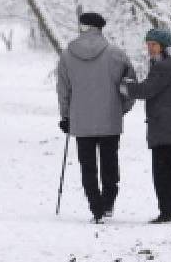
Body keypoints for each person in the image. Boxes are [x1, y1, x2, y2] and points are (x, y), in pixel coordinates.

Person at [56, 12, 136, 223]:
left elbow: (63, 89)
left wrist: (65, 116)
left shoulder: (67, 54)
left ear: (82, 27)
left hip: (80, 120)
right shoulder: (117, 54)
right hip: (110, 119)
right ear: (101, 28)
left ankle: (96, 207)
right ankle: (108, 202)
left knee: (87, 165)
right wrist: (121, 108)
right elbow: (130, 86)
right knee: (110, 162)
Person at [121, 28, 171, 224]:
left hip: (167, 131)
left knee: (163, 174)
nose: (150, 48)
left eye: (154, 45)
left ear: (164, 46)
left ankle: (167, 213)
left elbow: (146, 90)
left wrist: (124, 85)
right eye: (148, 44)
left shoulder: (165, 66)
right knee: (170, 174)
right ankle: (170, 211)